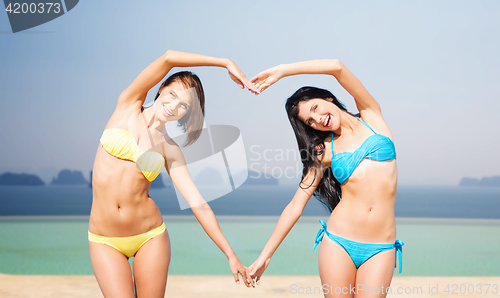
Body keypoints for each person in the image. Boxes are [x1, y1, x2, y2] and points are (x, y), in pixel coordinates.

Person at [88, 50, 256, 297]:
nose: (174, 106)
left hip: (150, 237)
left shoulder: (170, 148)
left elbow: (198, 203)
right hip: (104, 239)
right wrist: (225, 63)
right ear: (161, 87)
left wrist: (230, 254)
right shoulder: (127, 105)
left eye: (183, 105)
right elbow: (169, 58)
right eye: (172, 94)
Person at [248, 59, 403, 297]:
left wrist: (282, 71)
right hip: (338, 242)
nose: (318, 119)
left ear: (328, 98)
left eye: (315, 108)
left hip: (381, 246)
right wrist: (265, 256)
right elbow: (295, 206)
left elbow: (337, 67)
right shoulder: (323, 151)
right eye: (310, 121)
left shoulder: (372, 117)